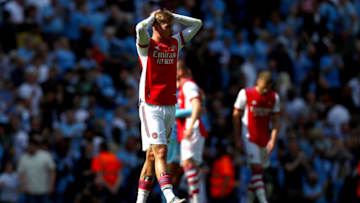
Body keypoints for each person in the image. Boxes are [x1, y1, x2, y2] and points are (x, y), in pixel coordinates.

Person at [135, 9, 202, 203]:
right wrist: (152, 17)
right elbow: (139, 27)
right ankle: (170, 196)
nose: (172, 29)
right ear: (156, 27)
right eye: (167, 26)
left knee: (151, 156)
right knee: (161, 152)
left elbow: (197, 23)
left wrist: (173, 16)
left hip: (169, 105)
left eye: (172, 26)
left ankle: (140, 201)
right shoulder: (147, 46)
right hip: (150, 105)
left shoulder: (175, 43)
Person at [232, 71, 281, 203]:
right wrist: (237, 138)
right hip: (248, 135)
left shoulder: (274, 98)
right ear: (257, 81)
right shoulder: (245, 94)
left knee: (258, 171)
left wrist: (273, 139)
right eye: (263, 86)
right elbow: (236, 115)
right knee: (257, 168)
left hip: (264, 138)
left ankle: (248, 198)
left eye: (267, 88)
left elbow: (276, 121)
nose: (264, 90)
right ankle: (263, 200)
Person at [176, 60, 208, 203]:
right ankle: (196, 198)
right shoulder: (184, 87)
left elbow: (197, 105)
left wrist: (189, 127)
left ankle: (195, 199)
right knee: (191, 166)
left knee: (189, 164)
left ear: (181, 72)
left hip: (191, 127)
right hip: (189, 126)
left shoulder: (188, 85)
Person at [17, 137, 56, 203]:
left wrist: (51, 185)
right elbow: (21, 173)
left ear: (36, 146)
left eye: (32, 145)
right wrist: (24, 185)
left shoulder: (45, 155)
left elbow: (52, 170)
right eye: (30, 145)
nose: (31, 147)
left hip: (44, 190)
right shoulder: (23, 158)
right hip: (30, 191)